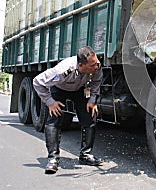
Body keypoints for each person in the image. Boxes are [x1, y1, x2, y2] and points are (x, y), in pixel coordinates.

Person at [33, 46, 103, 174]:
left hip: (80, 89)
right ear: (81, 65)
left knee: (90, 117)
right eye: (92, 65)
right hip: (60, 89)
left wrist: (92, 100)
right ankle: (53, 159)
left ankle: (86, 155)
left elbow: (96, 81)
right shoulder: (63, 70)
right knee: (54, 120)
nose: (97, 66)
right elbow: (37, 82)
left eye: (97, 63)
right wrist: (50, 102)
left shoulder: (96, 65)